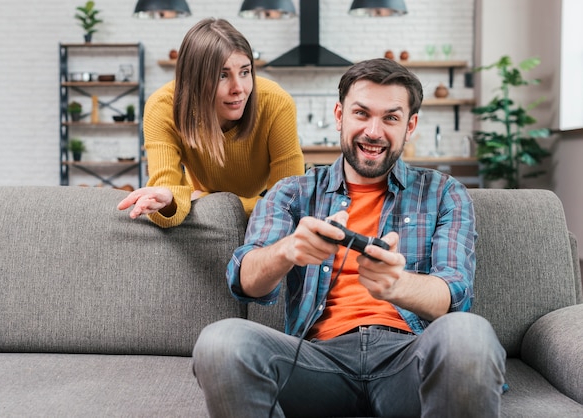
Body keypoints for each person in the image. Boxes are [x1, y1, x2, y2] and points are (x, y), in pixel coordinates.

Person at [192, 58, 506, 417]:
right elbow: (245, 281)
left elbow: (455, 296)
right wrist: (288, 250)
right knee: (220, 341)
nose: (373, 131)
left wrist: (396, 286)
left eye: (390, 117)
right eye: (361, 113)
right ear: (340, 115)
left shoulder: (443, 192)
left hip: (408, 359)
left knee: (469, 334)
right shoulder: (292, 193)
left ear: (410, 125)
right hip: (316, 362)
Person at [117, 18, 304, 228]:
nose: (238, 88)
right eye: (222, 75)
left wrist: (205, 200)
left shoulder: (276, 102)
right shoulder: (163, 106)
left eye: (245, 72)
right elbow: (167, 197)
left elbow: (291, 202)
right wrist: (168, 200)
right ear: (193, 80)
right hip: (204, 210)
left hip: (202, 201)